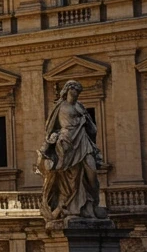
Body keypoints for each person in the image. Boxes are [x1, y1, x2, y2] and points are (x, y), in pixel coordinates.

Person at [37, 80, 105, 222]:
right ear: (67, 90)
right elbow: (49, 128)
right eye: (74, 90)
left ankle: (92, 204)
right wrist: (51, 139)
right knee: (71, 179)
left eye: (78, 91)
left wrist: (86, 121)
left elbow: (92, 129)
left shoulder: (80, 107)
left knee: (91, 172)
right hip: (66, 143)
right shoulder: (59, 107)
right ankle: (72, 207)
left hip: (82, 141)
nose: (76, 93)